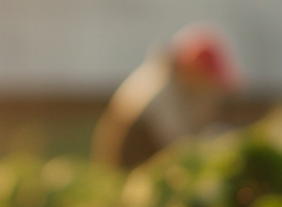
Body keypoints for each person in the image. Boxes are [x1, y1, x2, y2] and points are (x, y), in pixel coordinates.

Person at [93, 23, 239, 170]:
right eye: (206, 78)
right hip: (132, 158)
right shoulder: (158, 90)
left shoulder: (184, 84)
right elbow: (178, 147)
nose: (209, 88)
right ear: (192, 70)